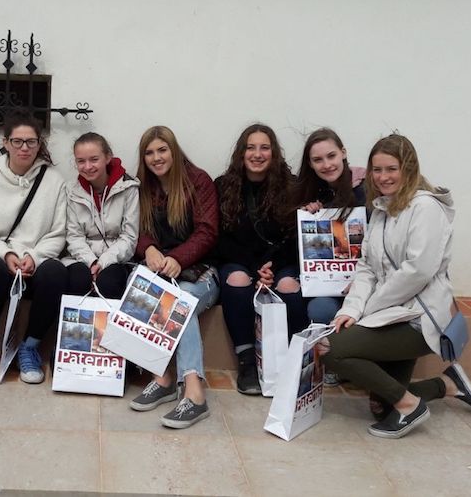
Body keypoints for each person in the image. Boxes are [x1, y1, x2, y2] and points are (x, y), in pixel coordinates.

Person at [322, 134, 471, 439]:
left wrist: (366, 312)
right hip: (391, 313)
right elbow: (367, 268)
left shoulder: (425, 208)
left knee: (332, 352)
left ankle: (410, 405)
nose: (383, 177)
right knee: (382, 407)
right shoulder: (382, 210)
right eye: (377, 170)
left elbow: (417, 272)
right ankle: (447, 385)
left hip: (419, 319)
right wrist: (351, 309)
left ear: (408, 169)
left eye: (391, 169)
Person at [0, 112, 82, 384]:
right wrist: (6, 254)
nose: (25, 148)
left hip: (36, 259)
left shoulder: (54, 181)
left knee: (55, 273)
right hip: (0, 256)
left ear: (40, 144)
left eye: (31, 142)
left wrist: (34, 256)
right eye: (18, 142)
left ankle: (30, 348)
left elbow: (58, 232)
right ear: (5, 143)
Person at [128, 126, 220, 429]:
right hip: (160, 273)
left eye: (162, 150)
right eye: (150, 152)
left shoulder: (199, 181)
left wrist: (177, 258)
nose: (157, 158)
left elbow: (207, 231)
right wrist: (150, 248)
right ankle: (163, 378)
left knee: (182, 302)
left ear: (174, 150)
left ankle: (194, 391)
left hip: (200, 272)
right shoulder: (142, 187)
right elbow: (135, 229)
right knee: (148, 291)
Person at [212, 124, 305, 396]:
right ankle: (247, 359)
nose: (257, 154)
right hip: (239, 262)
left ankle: (293, 359)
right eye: (251, 147)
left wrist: (271, 270)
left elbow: (294, 238)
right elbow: (220, 240)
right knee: (237, 279)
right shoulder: (223, 186)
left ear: (273, 153)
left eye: (264, 147)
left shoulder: (292, 186)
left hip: (280, 263)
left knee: (289, 286)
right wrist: (255, 271)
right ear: (241, 153)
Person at [292, 128, 367, 328]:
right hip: (327, 286)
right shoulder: (309, 191)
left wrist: (363, 283)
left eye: (331, 156)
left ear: (343, 153)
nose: (326, 165)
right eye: (318, 160)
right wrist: (309, 218)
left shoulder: (367, 188)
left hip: (368, 282)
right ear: (310, 163)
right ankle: (324, 357)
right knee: (319, 309)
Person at [62, 132, 140, 299]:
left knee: (109, 283)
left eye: (94, 159)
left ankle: (106, 326)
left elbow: (129, 237)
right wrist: (91, 261)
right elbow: (73, 236)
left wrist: (103, 262)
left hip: (117, 259)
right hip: (81, 258)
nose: (88, 166)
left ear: (108, 157)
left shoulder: (129, 188)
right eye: (81, 161)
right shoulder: (71, 191)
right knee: (78, 281)